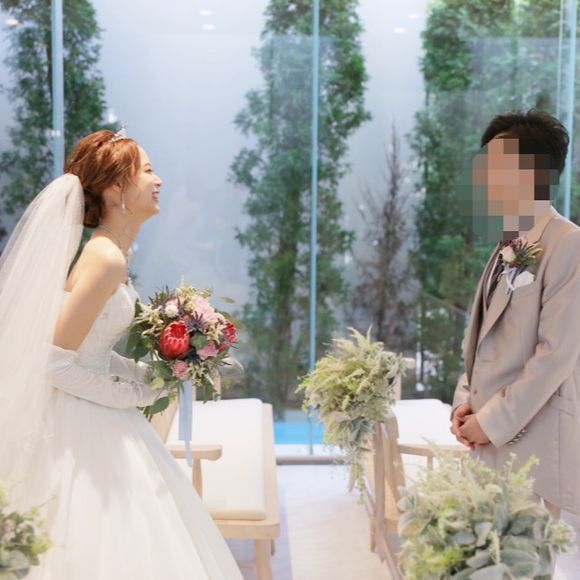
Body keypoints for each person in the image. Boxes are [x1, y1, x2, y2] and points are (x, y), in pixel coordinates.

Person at [0, 129, 243, 579]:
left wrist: (147, 374)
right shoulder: (105, 258)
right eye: (147, 171)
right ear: (115, 189)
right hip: (81, 423)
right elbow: (55, 362)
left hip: (92, 407)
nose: (158, 180)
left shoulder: (111, 253)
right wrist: (132, 394)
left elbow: (90, 347)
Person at [450, 109, 580, 519]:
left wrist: (491, 422)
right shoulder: (507, 242)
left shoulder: (567, 243)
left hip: (534, 449)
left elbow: (555, 355)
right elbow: (484, 341)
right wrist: (465, 403)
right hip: (490, 443)